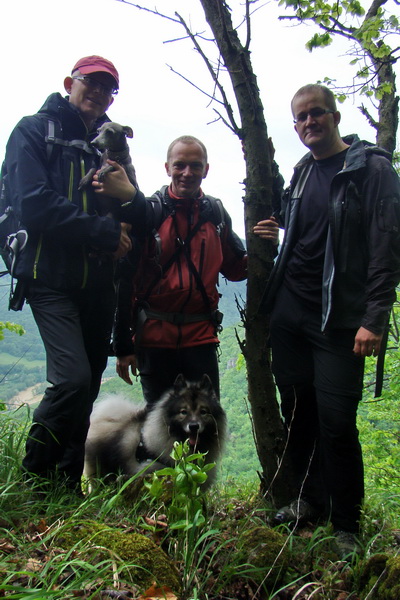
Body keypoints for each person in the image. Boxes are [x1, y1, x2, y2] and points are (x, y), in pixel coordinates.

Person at [254, 83, 400, 558]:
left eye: (317, 113)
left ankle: (347, 525)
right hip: (291, 313)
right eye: (301, 117)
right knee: (300, 416)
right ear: (294, 126)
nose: (309, 122)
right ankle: (308, 502)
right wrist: (280, 232)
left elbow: (386, 246)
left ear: (335, 116)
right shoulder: (301, 172)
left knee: (337, 422)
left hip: (340, 321)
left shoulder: (370, 169)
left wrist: (374, 317)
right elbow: (311, 232)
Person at [3, 55, 132, 494]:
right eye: (89, 84)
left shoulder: (104, 146)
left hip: (98, 284)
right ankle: (35, 480)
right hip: (50, 277)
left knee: (89, 384)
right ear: (69, 83)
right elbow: (33, 205)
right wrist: (105, 231)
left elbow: (125, 205)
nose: (97, 93)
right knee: (73, 379)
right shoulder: (32, 131)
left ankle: (66, 485)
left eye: (107, 88)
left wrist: (126, 209)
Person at [95, 135, 248, 403]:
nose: (187, 173)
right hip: (155, 341)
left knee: (204, 428)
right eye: (180, 165)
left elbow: (237, 269)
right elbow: (125, 281)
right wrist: (122, 345)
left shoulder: (216, 214)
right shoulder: (150, 214)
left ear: (206, 169)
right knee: (160, 432)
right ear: (167, 168)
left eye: (195, 166)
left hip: (201, 339)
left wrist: (266, 246)